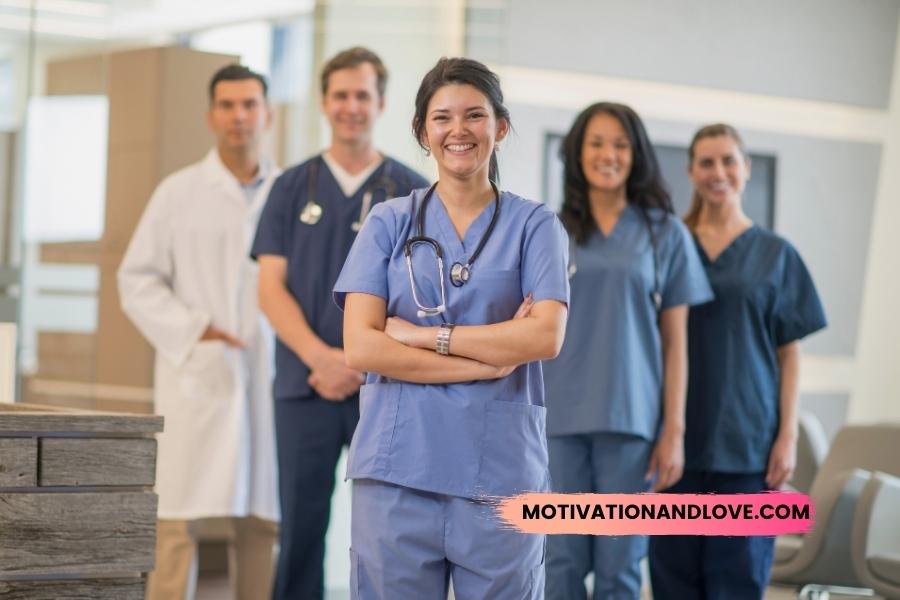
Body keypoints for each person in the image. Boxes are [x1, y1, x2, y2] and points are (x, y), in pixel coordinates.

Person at [333, 57, 569, 599]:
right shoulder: (388, 222)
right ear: (423, 132)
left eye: (474, 115)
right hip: (397, 471)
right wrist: (486, 361)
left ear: (500, 127)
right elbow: (361, 346)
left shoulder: (536, 226)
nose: (458, 130)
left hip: (501, 475)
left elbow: (544, 337)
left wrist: (423, 336)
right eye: (442, 118)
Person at [251, 47, 428, 600]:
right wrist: (322, 358)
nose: (352, 106)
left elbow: (422, 298)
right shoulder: (290, 187)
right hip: (304, 385)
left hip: (383, 387)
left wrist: (360, 359)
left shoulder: (413, 192)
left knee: (390, 530)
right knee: (301, 528)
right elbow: (270, 289)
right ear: (324, 103)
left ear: (381, 104)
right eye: (341, 95)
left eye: (363, 96)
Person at [118, 64, 279, 600]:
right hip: (198, 373)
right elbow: (136, 279)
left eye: (249, 104)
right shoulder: (178, 192)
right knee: (176, 519)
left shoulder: (287, 192)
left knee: (263, 520)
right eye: (227, 105)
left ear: (268, 114)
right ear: (211, 115)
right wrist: (195, 330)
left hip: (268, 371)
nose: (239, 116)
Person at [648, 123, 827, 600]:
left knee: (738, 582)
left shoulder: (776, 255)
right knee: (673, 583)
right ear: (691, 172)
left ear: (746, 168)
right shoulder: (670, 245)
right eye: (706, 162)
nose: (718, 172)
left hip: (747, 447)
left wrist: (787, 436)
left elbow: (789, 353)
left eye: (728, 160)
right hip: (674, 447)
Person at [542, 102, 712, 600]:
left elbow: (676, 342)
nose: (608, 155)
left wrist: (674, 432)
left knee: (620, 567)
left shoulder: (665, 233)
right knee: (560, 562)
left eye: (620, 144)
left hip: (631, 422)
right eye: (596, 143)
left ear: (636, 155)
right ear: (577, 153)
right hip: (557, 421)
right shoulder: (549, 231)